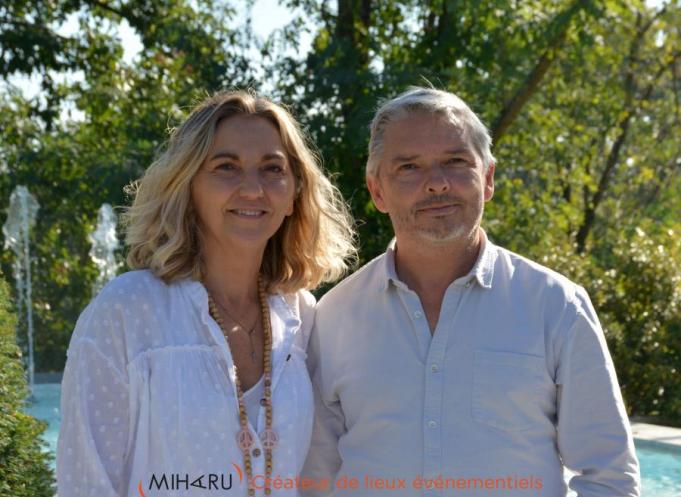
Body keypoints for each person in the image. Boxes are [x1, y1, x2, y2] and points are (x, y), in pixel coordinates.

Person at [301, 87, 640, 497]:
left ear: (489, 178)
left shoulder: (556, 306)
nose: (437, 184)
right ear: (377, 191)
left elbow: (608, 476)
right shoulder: (334, 316)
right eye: (409, 167)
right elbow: (316, 479)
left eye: (456, 162)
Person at [57, 90, 356, 497]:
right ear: (188, 186)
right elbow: (85, 483)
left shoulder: (302, 316)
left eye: (272, 169)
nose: (252, 188)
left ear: (294, 195)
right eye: (226, 167)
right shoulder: (127, 311)